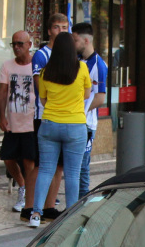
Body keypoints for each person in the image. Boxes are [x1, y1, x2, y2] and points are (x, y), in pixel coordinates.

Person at [29, 32, 90, 228]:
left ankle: (36, 214)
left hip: (49, 125)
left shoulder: (46, 72)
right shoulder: (81, 68)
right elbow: (87, 94)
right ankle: (71, 215)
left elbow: (43, 99)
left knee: (46, 170)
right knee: (72, 173)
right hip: (75, 126)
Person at [32, 14, 70, 218]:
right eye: (57, 27)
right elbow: (40, 90)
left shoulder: (70, 55)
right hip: (44, 115)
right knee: (44, 165)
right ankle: (36, 206)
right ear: (49, 31)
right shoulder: (41, 55)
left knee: (60, 166)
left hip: (66, 117)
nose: (61, 31)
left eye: (65, 27)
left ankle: (49, 206)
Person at [0, 30, 38, 220]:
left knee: (29, 162)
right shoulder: (7, 66)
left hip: (31, 122)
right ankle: (22, 185)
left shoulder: (37, 65)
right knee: (7, 157)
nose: (16, 47)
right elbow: (2, 92)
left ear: (29, 45)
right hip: (13, 122)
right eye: (13, 44)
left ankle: (28, 199)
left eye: (20, 44)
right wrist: (1, 117)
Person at [72, 22, 108, 204]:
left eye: (75, 39)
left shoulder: (99, 65)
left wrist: (81, 110)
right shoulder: (77, 61)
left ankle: (82, 203)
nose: (73, 42)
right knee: (75, 166)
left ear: (86, 40)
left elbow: (100, 98)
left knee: (83, 166)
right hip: (74, 119)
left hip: (86, 123)